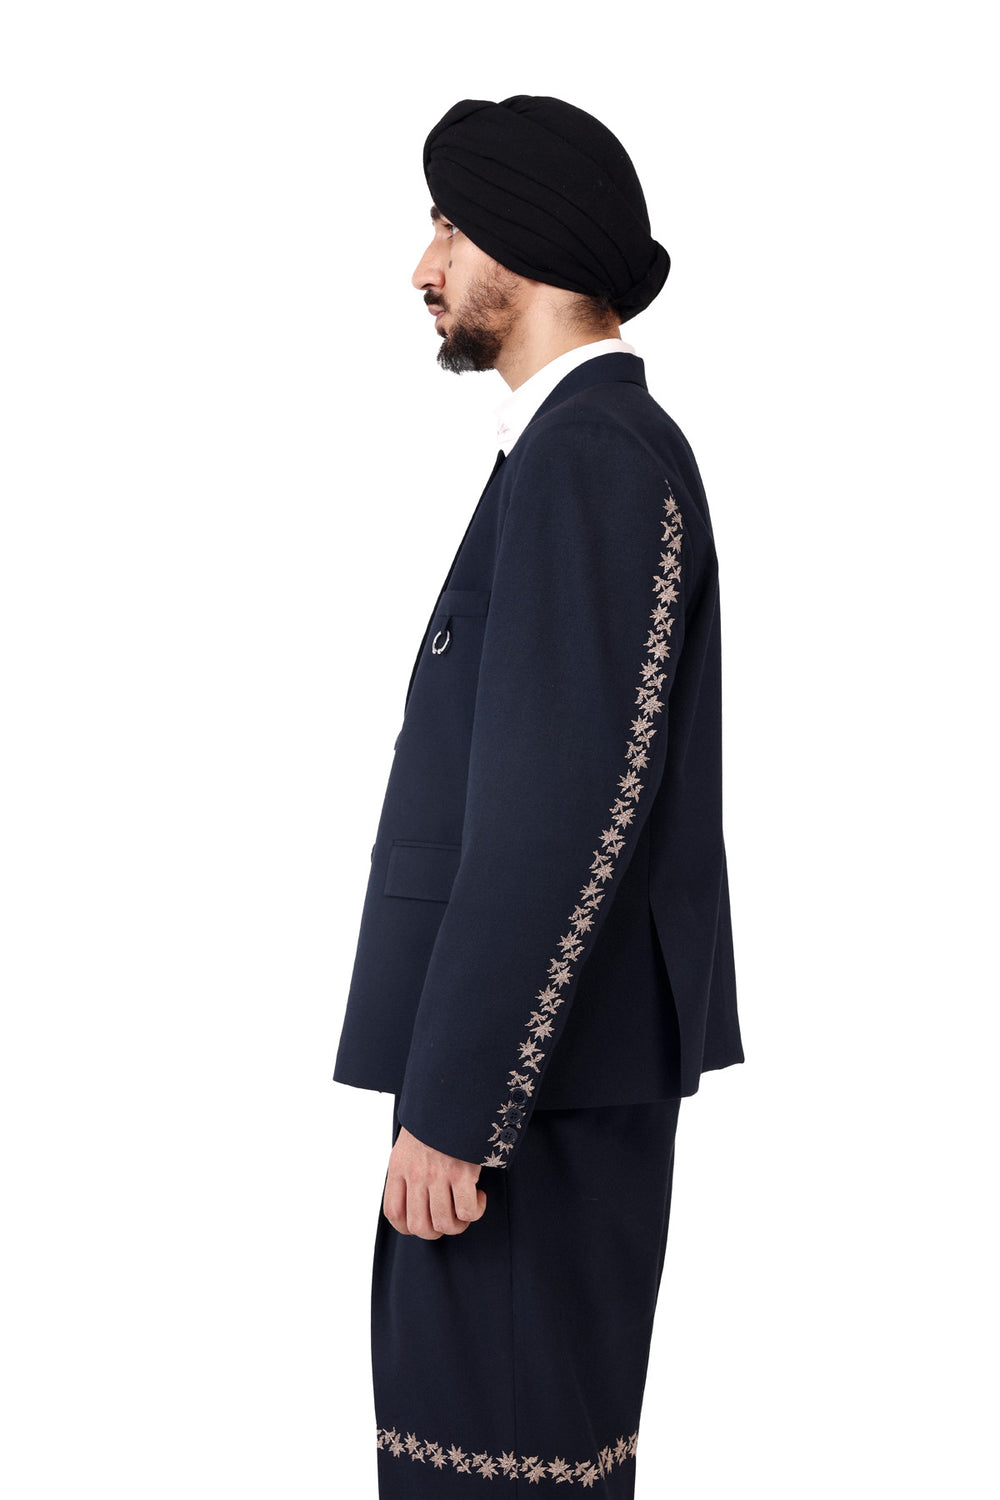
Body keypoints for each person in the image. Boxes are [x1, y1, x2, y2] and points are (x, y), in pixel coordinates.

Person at [333, 94, 745, 1497]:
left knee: (495, 1476)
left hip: (526, 1097)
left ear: (525, 238)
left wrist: (460, 1105)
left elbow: (561, 813)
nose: (424, 266)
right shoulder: (580, 454)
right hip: (541, 1081)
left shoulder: (592, 458)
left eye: (448, 227)